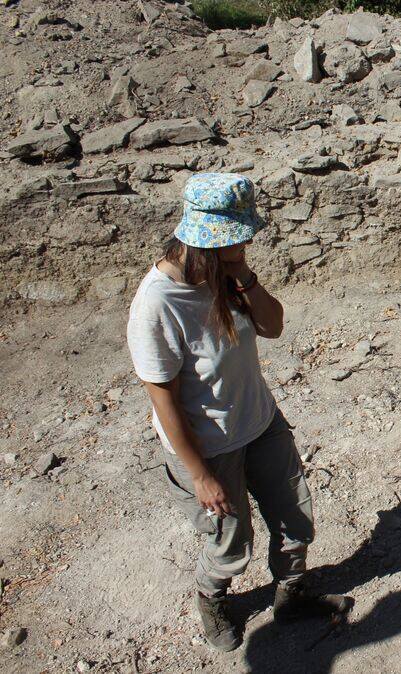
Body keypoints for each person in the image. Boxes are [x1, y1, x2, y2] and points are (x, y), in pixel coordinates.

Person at [127, 173, 352, 652]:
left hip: (260, 422)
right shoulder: (157, 303)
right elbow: (162, 401)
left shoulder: (224, 277)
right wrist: (199, 475)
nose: (248, 239)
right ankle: (212, 597)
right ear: (207, 240)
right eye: (239, 235)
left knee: (294, 516)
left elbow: (272, 326)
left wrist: (244, 275)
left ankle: (291, 595)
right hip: (208, 448)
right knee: (231, 540)